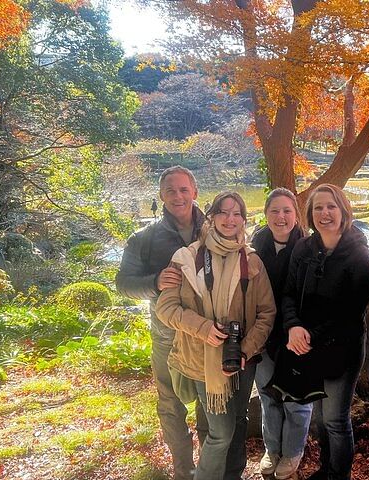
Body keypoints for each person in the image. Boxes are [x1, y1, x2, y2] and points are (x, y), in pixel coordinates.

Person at [156, 191, 276, 480]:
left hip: (242, 359)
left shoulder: (251, 261)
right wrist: (204, 328)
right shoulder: (186, 258)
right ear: (211, 217)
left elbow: (266, 313)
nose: (230, 219)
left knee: (237, 419)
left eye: (237, 214)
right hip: (200, 359)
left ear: (244, 221)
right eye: (223, 212)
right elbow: (166, 308)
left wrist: (245, 349)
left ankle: (232, 475)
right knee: (220, 432)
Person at [116, 166, 208, 480]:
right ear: (161, 196)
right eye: (171, 190)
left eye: (184, 189)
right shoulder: (144, 238)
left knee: (210, 402)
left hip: (208, 333)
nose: (178, 196)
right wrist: (154, 281)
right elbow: (124, 283)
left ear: (195, 192)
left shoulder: (216, 228)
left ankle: (210, 468)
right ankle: (183, 470)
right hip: (167, 335)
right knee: (171, 404)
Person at [282, 184, 369, 480]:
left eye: (331, 206)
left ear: (343, 210)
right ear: (310, 213)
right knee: (319, 417)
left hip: (341, 348)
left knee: (335, 418)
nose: (325, 213)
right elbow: (289, 293)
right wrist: (293, 326)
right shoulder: (304, 248)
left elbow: (351, 311)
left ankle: (340, 474)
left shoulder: (356, 252)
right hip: (307, 343)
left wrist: (310, 336)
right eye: (318, 207)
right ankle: (326, 470)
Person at [251, 188, 313, 479]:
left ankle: (292, 452)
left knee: (297, 401)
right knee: (268, 396)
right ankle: (272, 448)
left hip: (297, 334)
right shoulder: (256, 244)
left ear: (296, 214)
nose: (281, 216)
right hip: (263, 334)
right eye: (275, 210)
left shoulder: (309, 247)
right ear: (266, 214)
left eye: (287, 210)